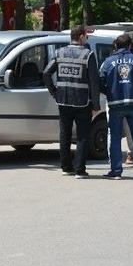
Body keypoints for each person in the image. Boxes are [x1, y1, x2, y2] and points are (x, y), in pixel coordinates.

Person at [43, 25, 101, 179]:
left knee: (65, 134)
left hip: (63, 101)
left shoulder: (59, 53)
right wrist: (96, 104)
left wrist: (55, 93)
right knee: (82, 136)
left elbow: (46, 73)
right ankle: (79, 170)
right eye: (86, 36)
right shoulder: (88, 55)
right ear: (81, 36)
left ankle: (66, 167)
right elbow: (94, 82)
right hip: (82, 102)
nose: (87, 39)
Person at [99, 33, 133, 180]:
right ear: (129, 46)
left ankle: (116, 171)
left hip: (115, 104)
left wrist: (109, 92)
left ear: (116, 46)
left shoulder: (108, 62)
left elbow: (100, 81)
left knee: (115, 138)